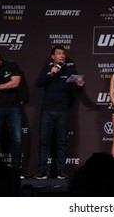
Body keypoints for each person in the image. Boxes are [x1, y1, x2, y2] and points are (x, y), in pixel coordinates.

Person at [34, 45, 85, 179]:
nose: (62, 55)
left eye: (63, 53)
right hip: (47, 109)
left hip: (62, 110)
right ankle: (42, 170)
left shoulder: (70, 69)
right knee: (44, 141)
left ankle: (61, 170)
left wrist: (79, 86)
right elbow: (39, 83)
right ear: (53, 56)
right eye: (59, 53)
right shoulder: (47, 68)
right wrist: (51, 73)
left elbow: (74, 90)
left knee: (62, 141)